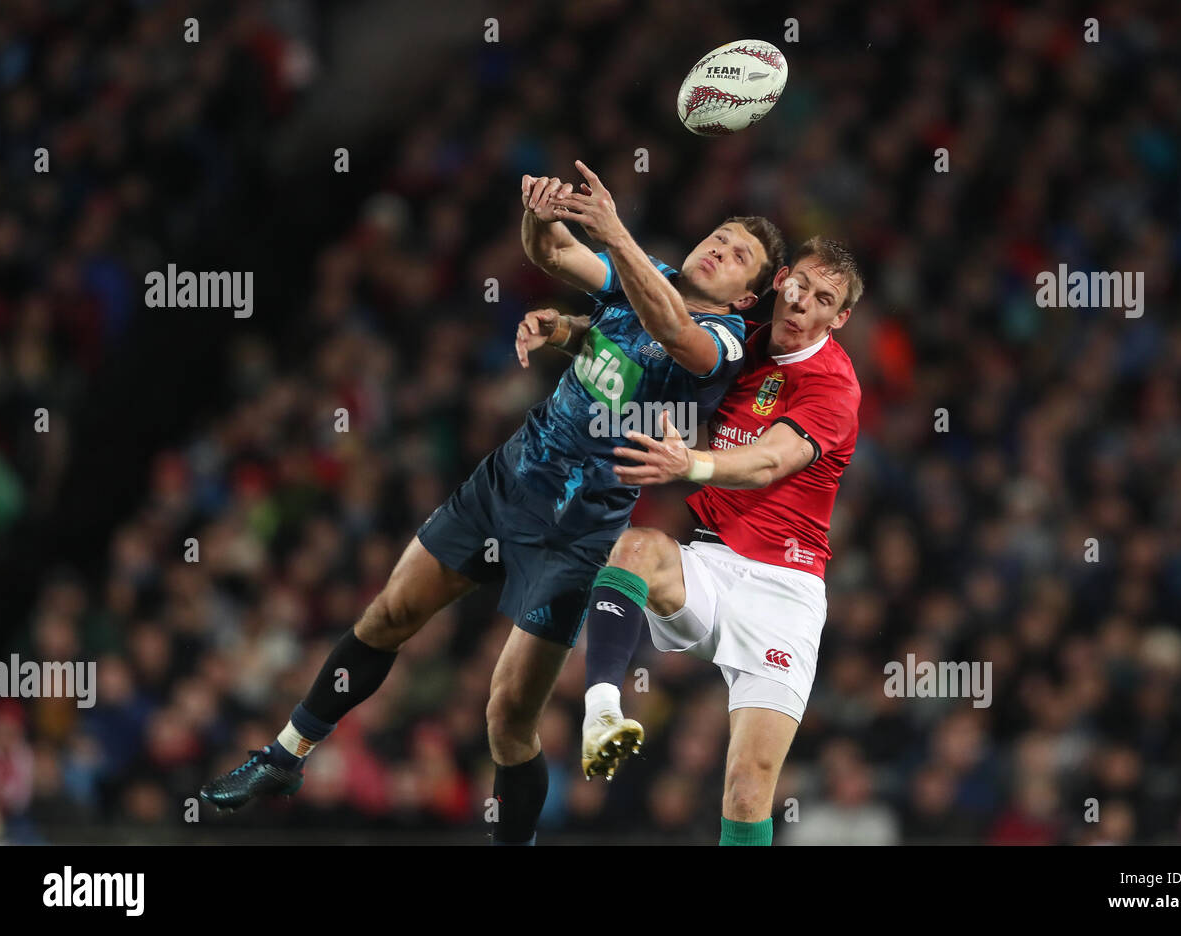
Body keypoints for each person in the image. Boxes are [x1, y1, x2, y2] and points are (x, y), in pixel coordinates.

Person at [199, 159, 786, 846]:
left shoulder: (724, 342)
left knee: (507, 719)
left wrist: (616, 235)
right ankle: (283, 757)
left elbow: (673, 335)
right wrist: (540, 213)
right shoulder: (638, 273)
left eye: (739, 254)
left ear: (748, 298)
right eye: (718, 235)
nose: (718, 247)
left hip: (577, 537)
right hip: (506, 483)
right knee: (389, 612)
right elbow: (553, 251)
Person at [577, 237, 863, 846]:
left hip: (785, 590)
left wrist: (692, 465)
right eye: (799, 286)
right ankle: (601, 709)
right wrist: (566, 333)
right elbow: (663, 332)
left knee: (748, 784)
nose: (803, 304)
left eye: (824, 300)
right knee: (635, 550)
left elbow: (767, 463)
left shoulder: (834, 387)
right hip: (711, 561)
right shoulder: (744, 342)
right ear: (780, 279)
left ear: (839, 319)